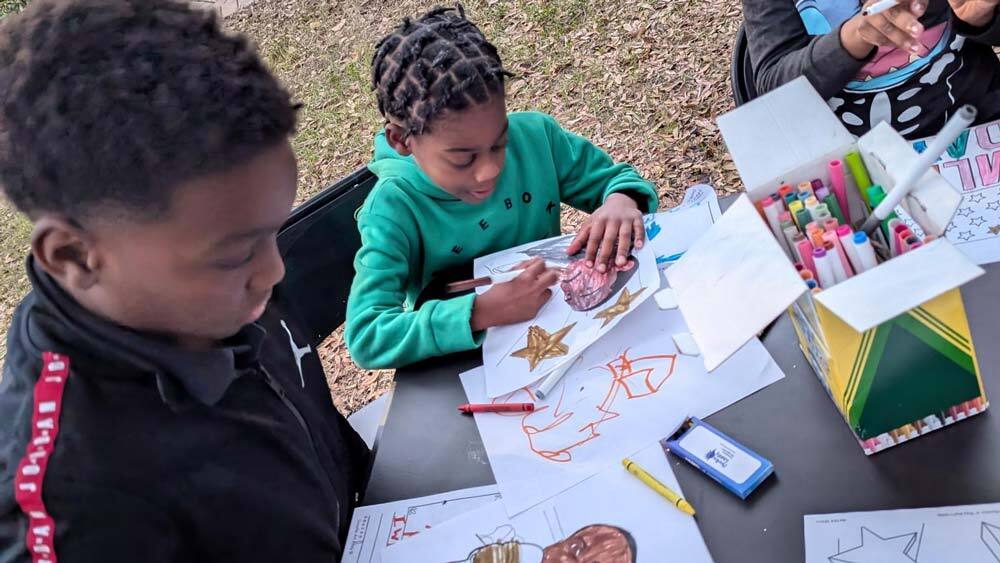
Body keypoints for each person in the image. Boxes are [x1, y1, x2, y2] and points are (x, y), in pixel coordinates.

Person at [0, 1, 369, 561]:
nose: (274, 271)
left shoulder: (221, 273)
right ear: (74, 255)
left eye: (272, 232)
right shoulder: (73, 501)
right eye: (236, 255)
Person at [345, 6, 659, 370]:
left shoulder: (537, 138)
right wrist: (479, 312)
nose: (490, 170)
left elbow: (617, 182)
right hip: (476, 375)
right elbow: (368, 336)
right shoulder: (392, 209)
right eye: (463, 159)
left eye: (499, 143)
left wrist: (622, 201)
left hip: (577, 345)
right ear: (401, 140)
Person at [742, 0, 1000, 138]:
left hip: (981, 125)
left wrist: (978, 19)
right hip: (856, 165)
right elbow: (774, 89)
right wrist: (854, 37)